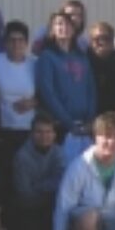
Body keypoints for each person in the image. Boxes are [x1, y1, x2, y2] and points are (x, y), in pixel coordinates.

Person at [36, 10, 96, 142]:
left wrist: (90, 119)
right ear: (52, 29)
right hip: (60, 126)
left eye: (69, 24)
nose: (64, 27)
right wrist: (68, 122)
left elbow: (90, 88)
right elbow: (48, 93)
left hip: (85, 126)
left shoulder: (82, 57)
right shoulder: (47, 57)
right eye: (59, 24)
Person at [12, 112, 63, 230]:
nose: (44, 136)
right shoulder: (21, 157)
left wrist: (40, 186)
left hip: (49, 199)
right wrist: (49, 187)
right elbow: (24, 192)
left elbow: (62, 179)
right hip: (28, 205)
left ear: (54, 134)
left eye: (48, 132)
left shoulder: (58, 151)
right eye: (39, 132)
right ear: (31, 134)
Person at [0, 20, 37, 158]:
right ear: (5, 42)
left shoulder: (35, 63)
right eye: (12, 40)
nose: (16, 44)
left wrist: (34, 102)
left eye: (21, 40)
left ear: (26, 43)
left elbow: (45, 93)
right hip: (3, 129)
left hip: (28, 129)